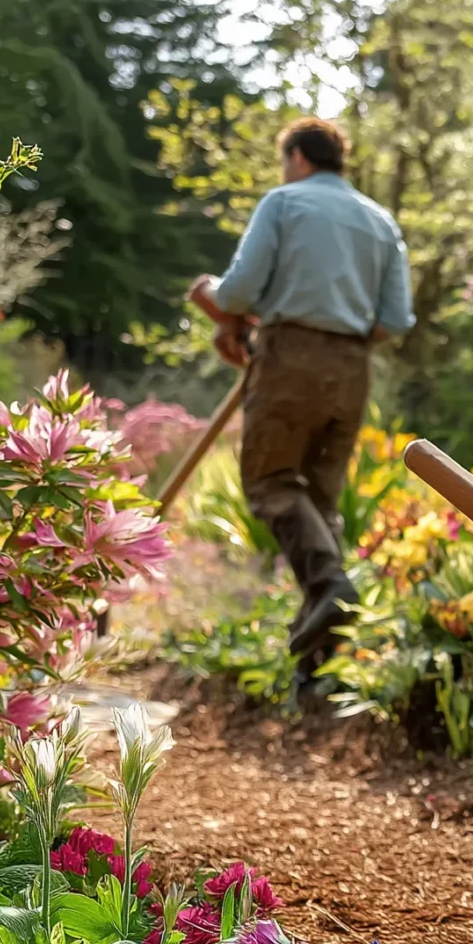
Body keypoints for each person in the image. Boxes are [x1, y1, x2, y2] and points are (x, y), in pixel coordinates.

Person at [190, 116, 414, 701]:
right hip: (353, 368)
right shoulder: (381, 221)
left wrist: (211, 296)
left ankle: (331, 588)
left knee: (268, 482)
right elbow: (395, 320)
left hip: (291, 356)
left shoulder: (285, 202)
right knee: (319, 503)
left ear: (297, 158)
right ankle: (317, 672)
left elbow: (237, 292)